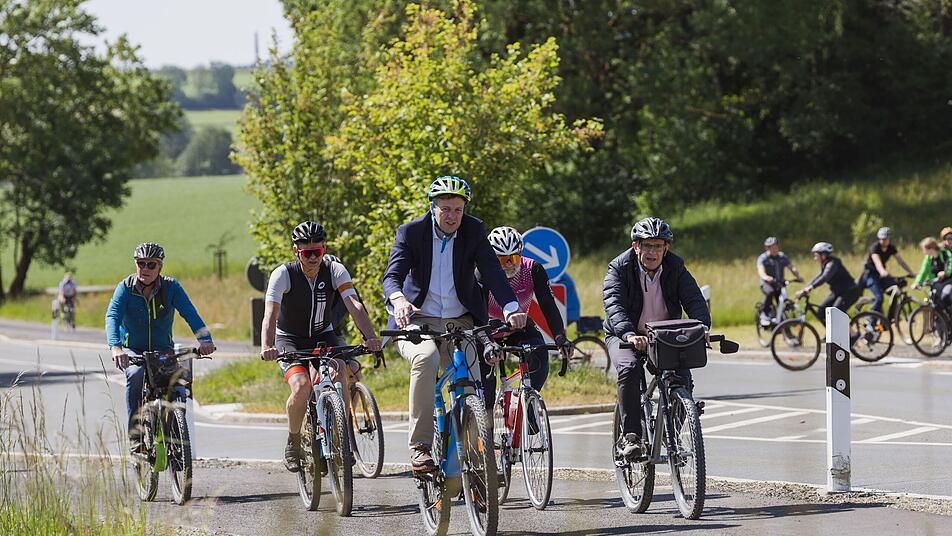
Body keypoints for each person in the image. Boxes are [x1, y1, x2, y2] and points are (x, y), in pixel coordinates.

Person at [382, 176, 526, 474]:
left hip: (460, 321)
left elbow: (493, 273)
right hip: (416, 318)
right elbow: (392, 276)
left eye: (458, 210)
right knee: (426, 358)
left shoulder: (473, 230)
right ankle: (420, 446)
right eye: (445, 209)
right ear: (432, 207)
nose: (452, 216)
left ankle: (473, 452)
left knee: (472, 383)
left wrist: (511, 307)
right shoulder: (411, 232)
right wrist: (399, 300)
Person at [259, 221, 383, 473]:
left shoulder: (335, 270)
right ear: (297, 251)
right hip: (289, 338)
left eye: (318, 251)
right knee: (302, 386)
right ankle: (294, 441)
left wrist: (371, 337)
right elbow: (270, 314)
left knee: (339, 372)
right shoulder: (283, 274)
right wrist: (267, 345)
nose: (314, 257)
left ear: (324, 249)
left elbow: (354, 305)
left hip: (323, 334)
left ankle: (341, 437)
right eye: (308, 253)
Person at [603, 217, 710, 460]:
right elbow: (614, 304)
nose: (652, 252)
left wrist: (702, 327)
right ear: (636, 246)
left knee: (682, 378)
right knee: (629, 369)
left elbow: (694, 300)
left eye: (658, 246)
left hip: (663, 336)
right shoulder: (619, 268)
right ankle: (631, 436)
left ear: (666, 248)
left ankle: (672, 429)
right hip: (624, 334)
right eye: (647, 245)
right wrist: (629, 334)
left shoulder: (676, 267)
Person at [105, 243, 216, 455]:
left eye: (151, 265)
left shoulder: (171, 287)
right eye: (141, 263)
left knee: (175, 384)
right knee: (136, 375)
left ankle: (175, 430)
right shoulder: (125, 288)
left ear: (160, 267)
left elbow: (190, 313)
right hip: (133, 349)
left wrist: (205, 340)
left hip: (163, 349)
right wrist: (116, 347)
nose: (145, 269)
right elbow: (112, 316)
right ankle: (136, 437)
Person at [478, 226, 574, 417]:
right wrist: (488, 343)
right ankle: (487, 429)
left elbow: (548, 306)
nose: (509, 265)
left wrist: (560, 337)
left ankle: (528, 403)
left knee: (539, 354)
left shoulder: (533, 269)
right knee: (486, 395)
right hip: (487, 331)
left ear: (521, 254)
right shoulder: (482, 273)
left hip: (518, 328)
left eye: (513, 258)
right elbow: (477, 315)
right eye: (502, 260)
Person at [796, 242, 862, 321]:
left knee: (836, 312)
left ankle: (850, 329)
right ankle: (830, 329)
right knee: (821, 312)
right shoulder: (825, 264)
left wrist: (811, 287)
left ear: (823, 255)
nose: (815, 258)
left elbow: (824, 277)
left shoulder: (832, 264)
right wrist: (805, 289)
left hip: (849, 291)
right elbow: (817, 277)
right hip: (837, 292)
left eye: (816, 255)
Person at [860, 227, 914, 313]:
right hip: (870, 275)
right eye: (881, 239)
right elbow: (877, 262)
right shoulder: (875, 247)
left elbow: (901, 261)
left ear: (889, 239)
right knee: (879, 298)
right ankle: (870, 319)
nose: (883, 241)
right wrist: (882, 271)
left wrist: (911, 272)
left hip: (881, 276)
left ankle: (890, 317)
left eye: (885, 239)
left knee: (896, 291)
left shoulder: (891, 248)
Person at [756, 237, 803, 326]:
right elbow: (760, 270)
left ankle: (784, 325)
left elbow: (791, 267)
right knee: (770, 292)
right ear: (767, 248)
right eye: (771, 248)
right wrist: (766, 277)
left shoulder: (782, 257)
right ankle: (764, 314)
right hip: (767, 283)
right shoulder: (763, 258)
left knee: (782, 303)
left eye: (775, 247)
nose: (774, 249)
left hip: (779, 283)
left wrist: (798, 276)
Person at [913, 236, 952, 311]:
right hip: (936, 284)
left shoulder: (945, 252)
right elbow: (923, 271)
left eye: (924, 249)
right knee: (929, 301)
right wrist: (917, 282)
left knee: (945, 296)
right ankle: (936, 317)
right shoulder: (928, 258)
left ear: (930, 248)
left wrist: (945, 272)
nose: (923, 252)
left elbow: (950, 263)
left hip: (947, 282)